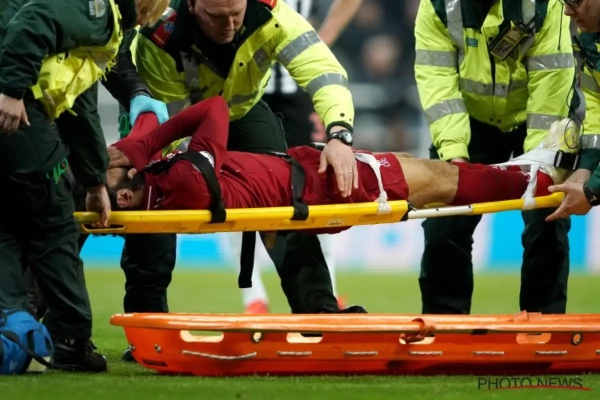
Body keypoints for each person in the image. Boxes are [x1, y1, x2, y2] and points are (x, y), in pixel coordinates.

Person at [124, 0, 363, 320]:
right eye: (217, 17)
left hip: (241, 112)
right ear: (192, 5)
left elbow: (323, 71)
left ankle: (320, 311)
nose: (229, 26)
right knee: (152, 209)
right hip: (167, 121)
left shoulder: (273, 15)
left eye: (236, 14)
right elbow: (171, 121)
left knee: (286, 196)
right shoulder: (158, 36)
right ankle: (146, 320)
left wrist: (339, 133)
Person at [104, 98, 571, 234]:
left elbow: (145, 130)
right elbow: (216, 109)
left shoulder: (159, 189)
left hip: (308, 176)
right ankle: (543, 176)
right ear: (124, 194)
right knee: (442, 181)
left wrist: (136, 142)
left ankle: (523, 170)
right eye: (109, 169)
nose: (114, 158)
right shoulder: (183, 181)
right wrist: (143, 148)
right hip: (327, 185)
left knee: (428, 173)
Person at [0, 0, 168, 372]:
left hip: (24, 108)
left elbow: (78, 107)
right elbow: (31, 21)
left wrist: (93, 181)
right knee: (54, 224)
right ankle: (69, 340)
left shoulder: (96, 26)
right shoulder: (99, 11)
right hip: (18, 108)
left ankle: (13, 324)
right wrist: (11, 91)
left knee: (8, 225)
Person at [414, 0, 577, 315]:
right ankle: (446, 328)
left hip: (540, 123)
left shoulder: (546, 5)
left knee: (548, 217)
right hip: (468, 124)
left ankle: (543, 327)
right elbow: (438, 82)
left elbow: (551, 90)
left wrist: (539, 165)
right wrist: (454, 154)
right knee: (444, 224)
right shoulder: (436, 6)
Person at [232, 0, 363, 314]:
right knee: (236, 190)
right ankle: (253, 296)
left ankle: (326, 292)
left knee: (315, 188)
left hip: (298, 90)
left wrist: (323, 38)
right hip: (240, 93)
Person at [546, 0, 600, 220]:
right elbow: (596, 103)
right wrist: (586, 167)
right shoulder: (589, 38)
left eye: (575, 1)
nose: (567, 11)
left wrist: (592, 190)